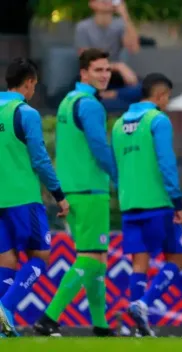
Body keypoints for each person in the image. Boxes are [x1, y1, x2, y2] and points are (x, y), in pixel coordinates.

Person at [34, 48, 116, 337]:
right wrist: (119, 178)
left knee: (95, 258)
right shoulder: (91, 105)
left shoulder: (68, 101)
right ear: (84, 73)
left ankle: (101, 325)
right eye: (98, 70)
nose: (105, 75)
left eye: (107, 70)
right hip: (90, 189)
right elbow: (100, 148)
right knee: (91, 258)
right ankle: (49, 317)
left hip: (71, 189)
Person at [111, 73, 182, 337]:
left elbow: (115, 166)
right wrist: (177, 200)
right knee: (177, 258)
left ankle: (139, 327)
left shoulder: (119, 124)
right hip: (158, 203)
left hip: (129, 204)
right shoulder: (158, 120)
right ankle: (143, 303)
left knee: (139, 263)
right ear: (160, 95)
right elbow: (166, 163)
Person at [0, 58, 69, 338]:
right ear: (29, 83)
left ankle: (5, 329)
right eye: (34, 86)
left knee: (6, 261)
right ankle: (5, 306)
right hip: (22, 198)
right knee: (40, 255)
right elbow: (40, 160)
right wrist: (58, 195)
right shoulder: (25, 112)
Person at [75, 0, 141, 110]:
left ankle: (109, 95)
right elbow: (86, 58)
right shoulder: (83, 27)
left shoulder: (120, 25)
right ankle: (112, 99)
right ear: (92, 4)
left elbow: (134, 48)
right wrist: (118, 66)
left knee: (144, 88)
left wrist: (125, 15)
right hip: (93, 75)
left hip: (114, 77)